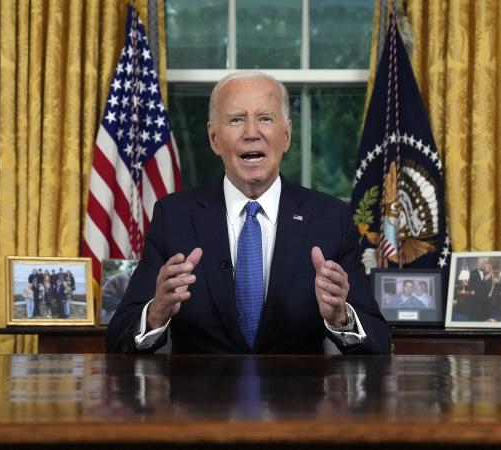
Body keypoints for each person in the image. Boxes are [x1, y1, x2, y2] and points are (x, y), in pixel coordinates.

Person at [106, 71, 391, 354]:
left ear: (287, 135)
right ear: (214, 138)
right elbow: (119, 338)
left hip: (297, 395)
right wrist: (157, 312)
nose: (252, 133)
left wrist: (341, 317)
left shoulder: (330, 218)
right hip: (201, 396)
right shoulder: (174, 216)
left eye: (265, 118)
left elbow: (378, 341)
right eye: (236, 119)